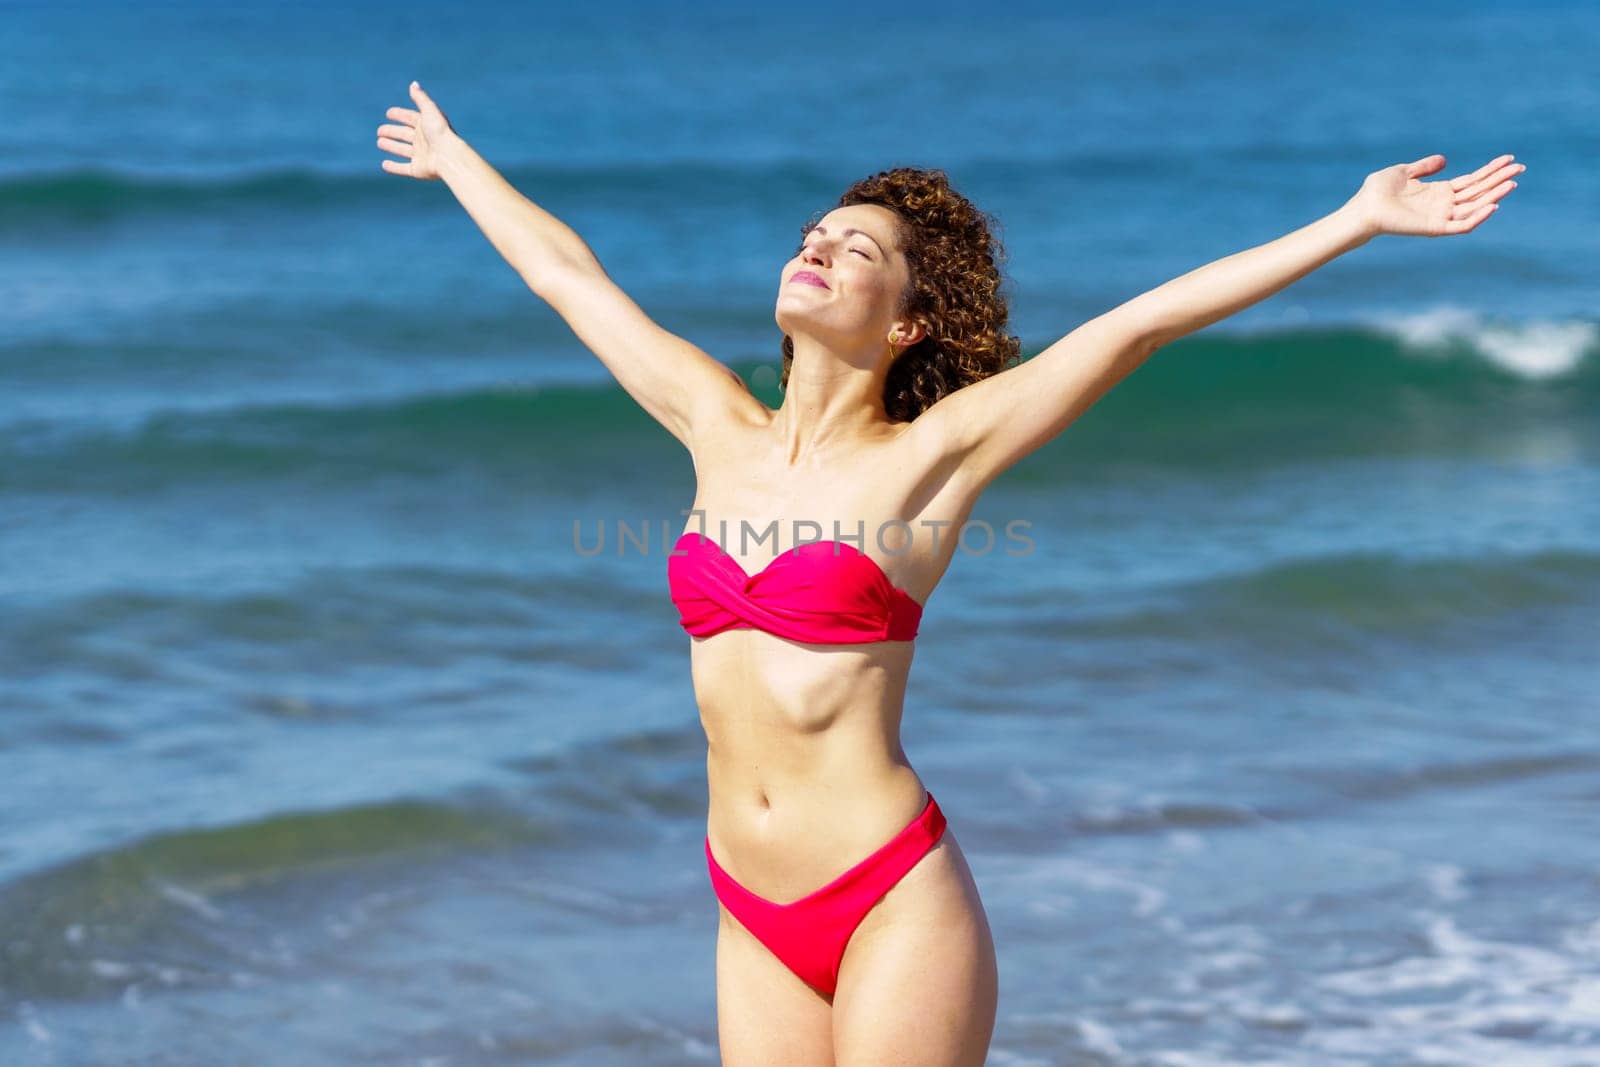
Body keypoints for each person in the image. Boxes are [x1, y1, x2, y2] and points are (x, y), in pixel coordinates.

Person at [377, 80, 1522, 1066]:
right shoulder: (711, 423)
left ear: (911, 321)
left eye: (855, 248)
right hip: (746, 899)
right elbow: (568, 279)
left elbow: (1133, 329)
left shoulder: (929, 459)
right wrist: (455, 160)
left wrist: (1355, 220)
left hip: (883, 893)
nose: (817, 248)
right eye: (813, 235)